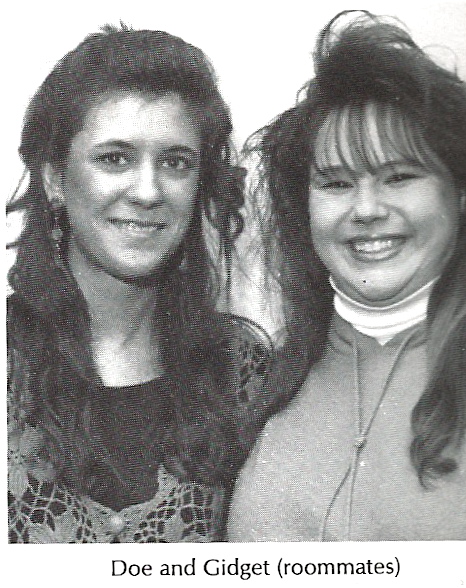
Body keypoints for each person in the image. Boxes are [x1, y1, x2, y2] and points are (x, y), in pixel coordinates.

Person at [228, 10, 466, 541]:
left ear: (462, 195)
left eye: (399, 177)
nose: (367, 209)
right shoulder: (268, 382)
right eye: (336, 184)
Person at [7, 24, 274, 543]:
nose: (149, 191)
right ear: (56, 179)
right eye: (115, 158)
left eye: (175, 162)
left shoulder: (246, 376)